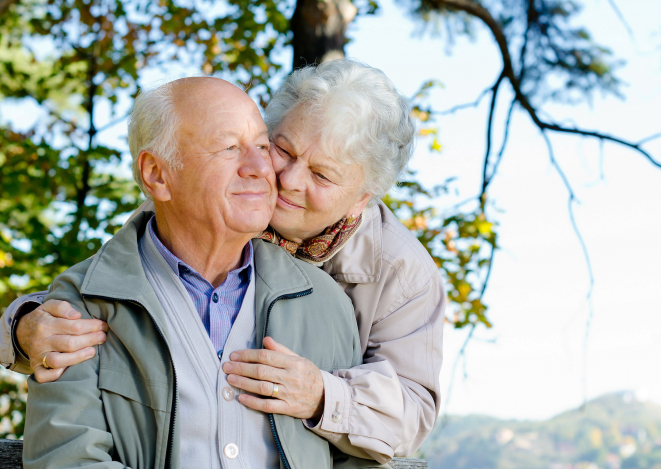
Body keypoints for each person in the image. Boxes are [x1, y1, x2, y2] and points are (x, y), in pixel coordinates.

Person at [5, 59, 445, 463]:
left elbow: (411, 415)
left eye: (322, 175)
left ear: (362, 197)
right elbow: (118, 290)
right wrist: (21, 328)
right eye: (283, 150)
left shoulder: (398, 275)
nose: (286, 181)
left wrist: (321, 395)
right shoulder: (207, 196)